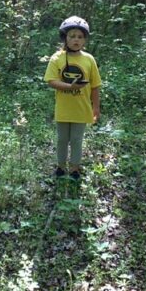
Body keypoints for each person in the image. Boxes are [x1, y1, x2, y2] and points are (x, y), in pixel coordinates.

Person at [43, 16, 101, 180]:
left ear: (84, 40)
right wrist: (70, 87)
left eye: (80, 37)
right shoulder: (57, 58)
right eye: (72, 36)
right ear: (65, 38)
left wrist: (96, 108)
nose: (76, 40)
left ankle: (75, 168)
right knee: (62, 139)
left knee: (76, 139)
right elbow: (51, 81)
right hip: (63, 108)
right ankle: (60, 167)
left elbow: (95, 85)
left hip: (82, 109)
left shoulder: (89, 59)